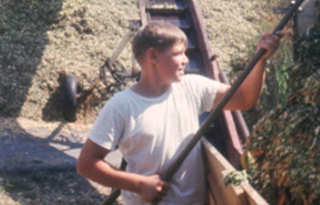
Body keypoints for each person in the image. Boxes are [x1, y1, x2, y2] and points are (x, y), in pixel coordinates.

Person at [77, 22, 282, 204]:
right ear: (153, 56)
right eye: (178, 53)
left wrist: (261, 61)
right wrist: (139, 184)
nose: (185, 60)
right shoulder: (121, 106)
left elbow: (245, 99)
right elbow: (87, 164)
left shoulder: (192, 87)